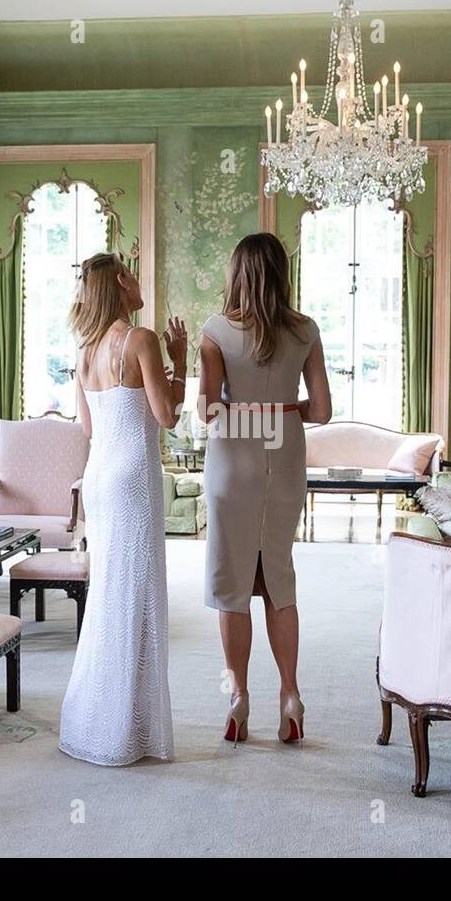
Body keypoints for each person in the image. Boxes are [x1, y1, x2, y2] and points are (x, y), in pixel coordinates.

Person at [198, 232, 332, 744]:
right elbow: (320, 410)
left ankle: (238, 697)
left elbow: (208, 408)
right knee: (277, 574)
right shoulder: (305, 331)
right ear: (280, 273)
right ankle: (291, 695)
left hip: (233, 460)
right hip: (286, 461)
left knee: (232, 581)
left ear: (236, 275)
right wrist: (284, 410)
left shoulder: (215, 331)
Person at [58, 252, 186, 766]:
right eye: (131, 275)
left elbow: (89, 430)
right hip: (134, 477)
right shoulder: (141, 340)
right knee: (138, 594)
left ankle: (99, 718)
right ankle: (129, 728)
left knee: (111, 593)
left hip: (100, 478)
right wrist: (178, 360)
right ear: (118, 283)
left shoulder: (86, 349)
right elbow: (168, 416)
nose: (138, 283)